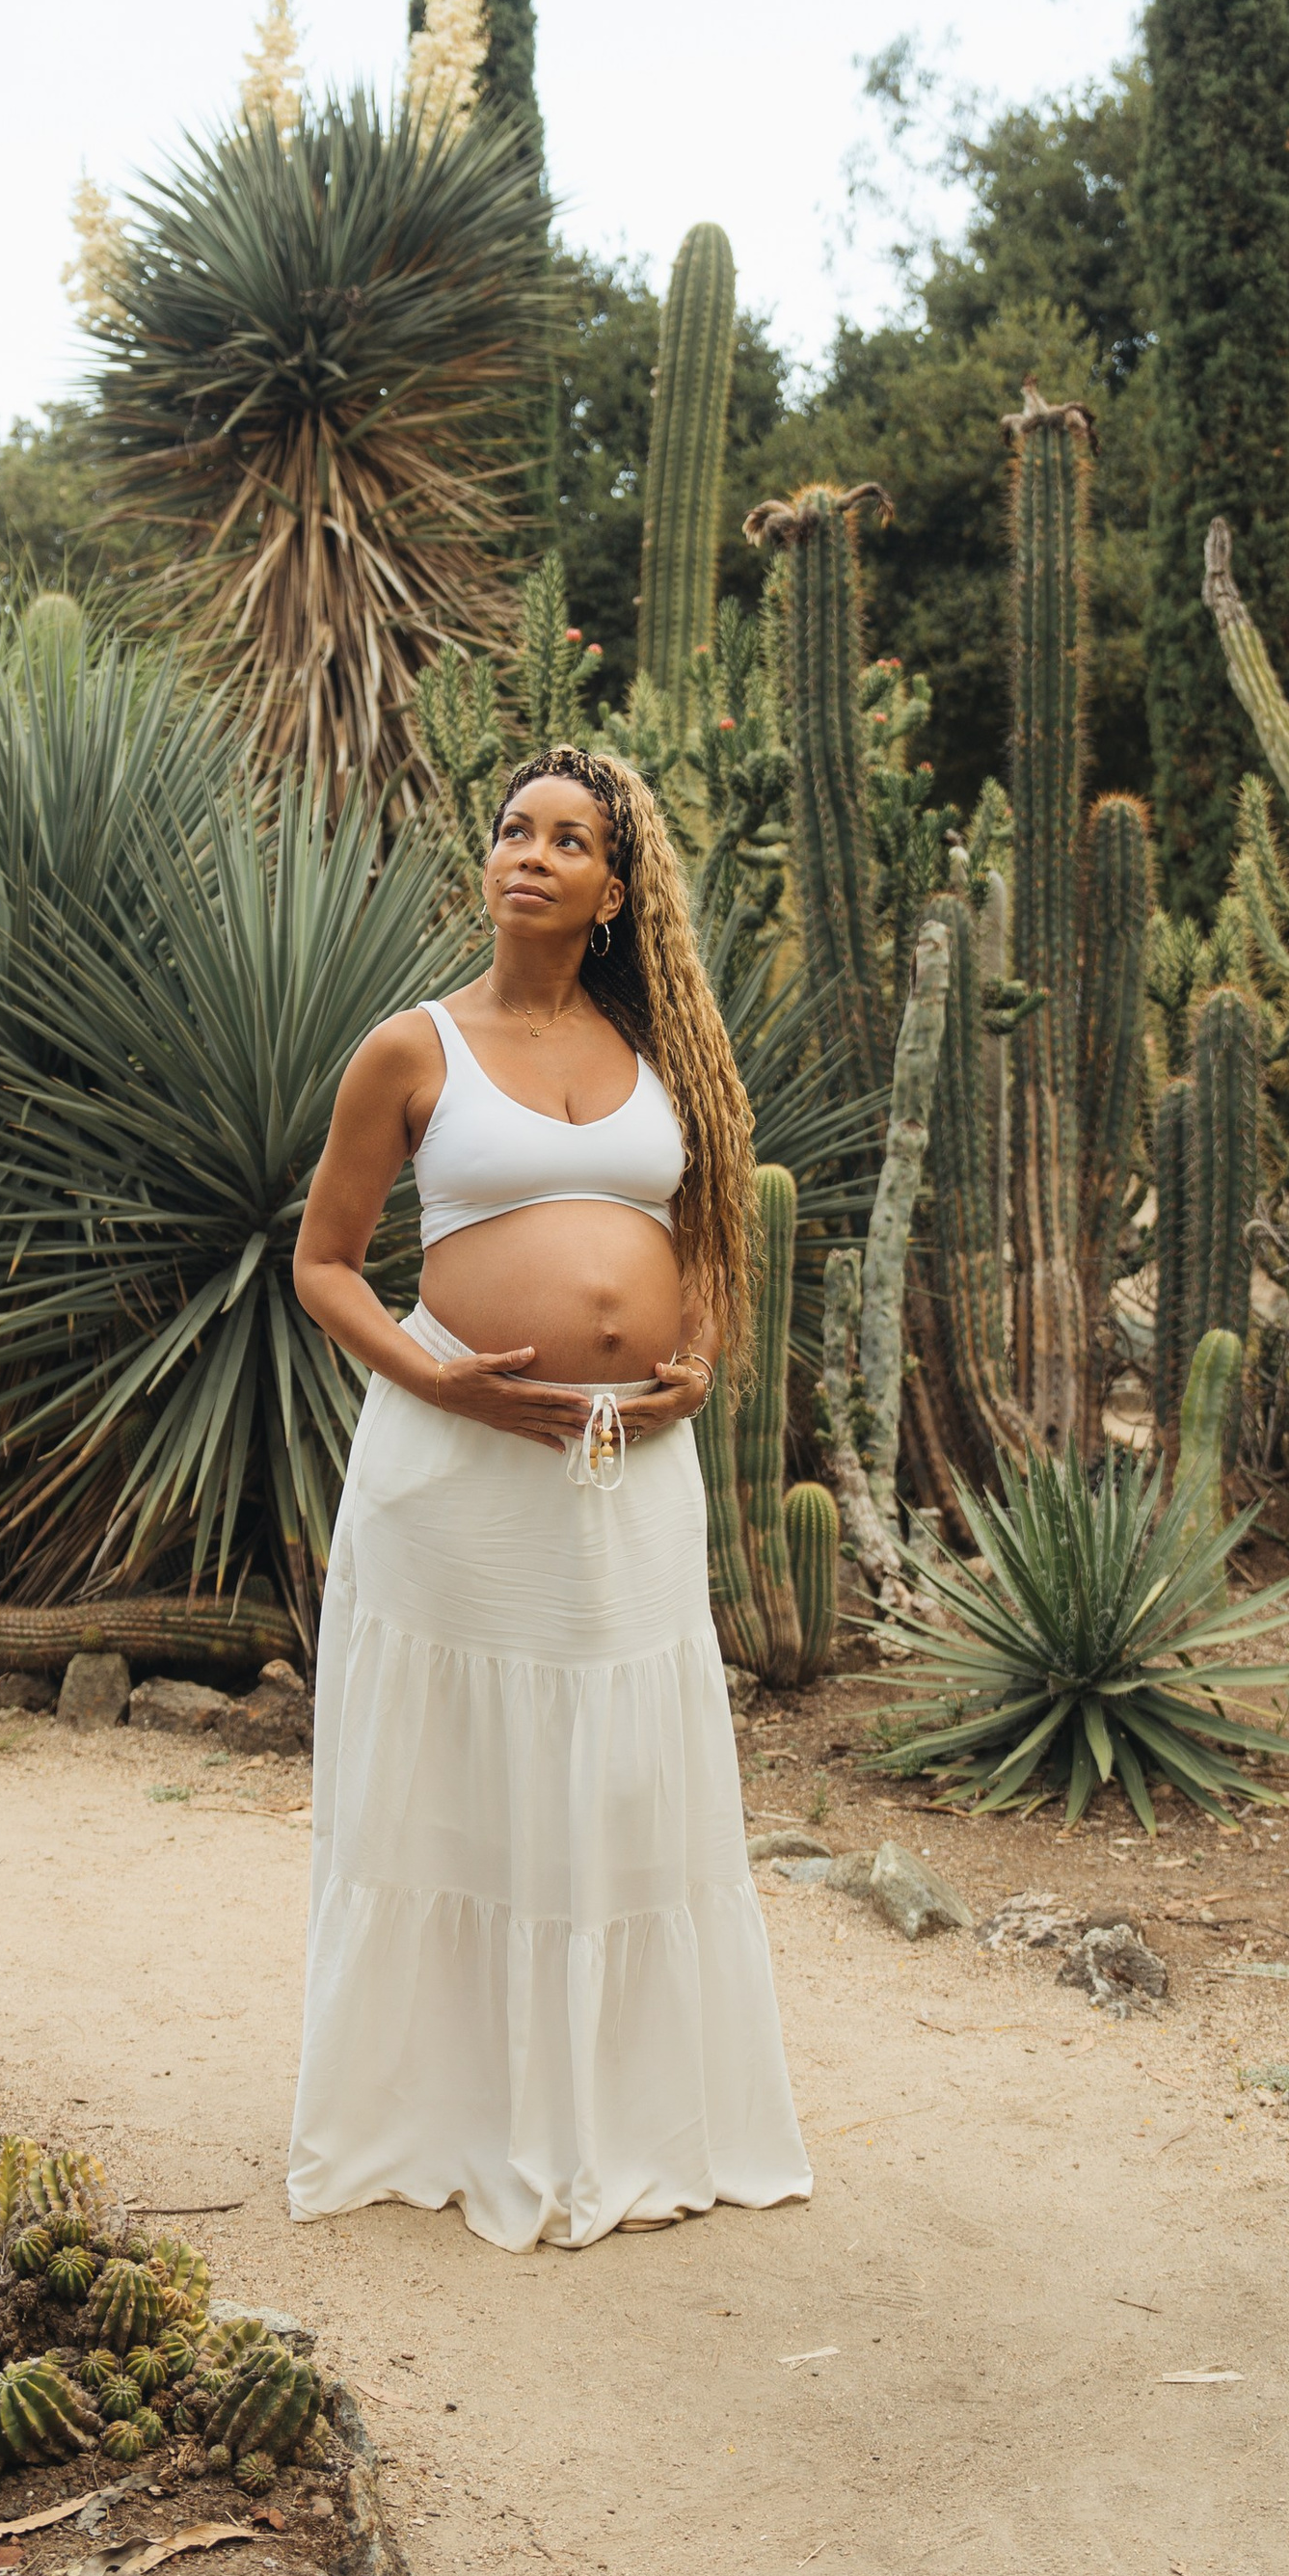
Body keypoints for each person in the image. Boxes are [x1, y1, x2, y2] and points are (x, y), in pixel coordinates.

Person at [287, 743, 813, 2250]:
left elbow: (702, 1232)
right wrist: (433, 1377)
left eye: (567, 838)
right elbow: (325, 1263)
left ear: (613, 886)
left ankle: (626, 2117)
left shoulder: (668, 1054)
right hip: (460, 1471)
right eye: (513, 827)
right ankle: (452, 2117)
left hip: (625, 1478)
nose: (529, 851)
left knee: (624, 1783)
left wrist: (701, 1348)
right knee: (466, 1783)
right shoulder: (412, 1049)